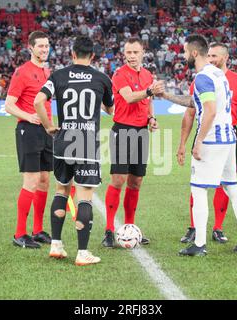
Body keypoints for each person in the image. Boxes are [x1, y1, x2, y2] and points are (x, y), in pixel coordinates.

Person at [169, 35, 237, 256]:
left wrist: (197, 142)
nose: (184, 55)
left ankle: (199, 244)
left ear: (194, 53)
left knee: (198, 190)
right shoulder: (218, 75)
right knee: (231, 187)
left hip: (212, 140)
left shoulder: (202, 78)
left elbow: (209, 110)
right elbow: (195, 102)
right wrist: (166, 95)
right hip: (228, 139)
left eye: (185, 52)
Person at [33, 35, 114, 266]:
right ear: (94, 56)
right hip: (86, 143)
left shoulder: (57, 75)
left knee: (61, 190)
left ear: (72, 54)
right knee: (85, 197)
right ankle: (82, 252)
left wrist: (49, 126)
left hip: (63, 141)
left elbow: (39, 101)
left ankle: (56, 245)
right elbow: (110, 109)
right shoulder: (102, 78)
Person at [101, 37, 164, 248]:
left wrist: (151, 118)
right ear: (124, 54)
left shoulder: (147, 75)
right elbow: (129, 97)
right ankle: (109, 230)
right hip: (123, 130)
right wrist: (149, 91)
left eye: (135, 52)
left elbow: (149, 101)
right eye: (128, 52)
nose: (132, 56)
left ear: (142, 53)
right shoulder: (119, 74)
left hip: (141, 132)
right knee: (118, 179)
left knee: (136, 182)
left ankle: (129, 227)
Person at [5, 31, 53, 248]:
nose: (44, 49)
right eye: (40, 46)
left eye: (46, 46)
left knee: (44, 180)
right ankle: (19, 234)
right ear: (30, 48)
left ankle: (37, 230)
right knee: (31, 181)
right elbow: (9, 104)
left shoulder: (47, 71)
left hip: (46, 130)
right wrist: (29, 116)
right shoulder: (22, 72)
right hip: (28, 130)